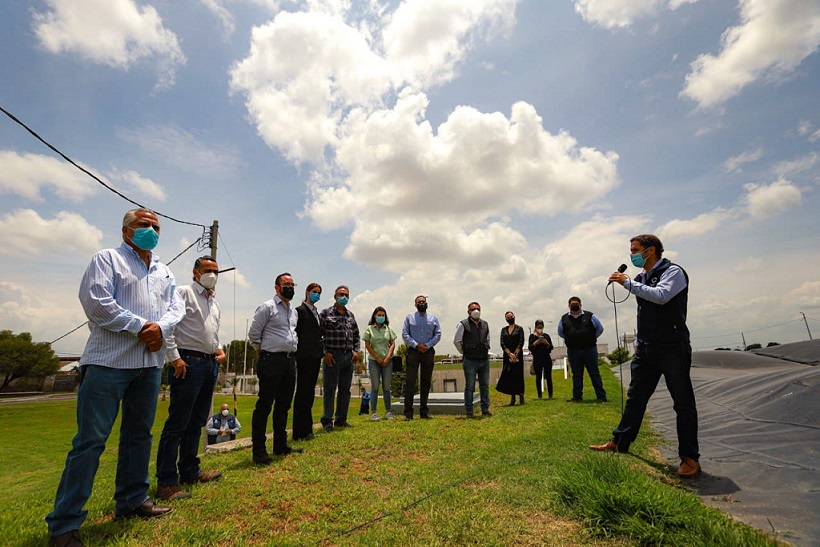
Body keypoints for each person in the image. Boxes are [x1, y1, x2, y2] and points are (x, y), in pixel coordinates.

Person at [46, 208, 184, 546]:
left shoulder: (163, 272)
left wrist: (159, 328)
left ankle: (133, 500)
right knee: (90, 442)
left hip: (148, 366)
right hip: (108, 364)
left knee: (139, 436)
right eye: (143, 225)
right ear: (126, 231)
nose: (151, 230)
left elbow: (176, 308)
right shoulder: (107, 260)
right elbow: (96, 303)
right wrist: (140, 327)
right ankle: (64, 524)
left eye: (155, 226)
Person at [591, 234, 701, 478]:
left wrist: (627, 283)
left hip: (673, 348)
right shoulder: (642, 277)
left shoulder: (673, 272)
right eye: (631, 251)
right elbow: (646, 311)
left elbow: (661, 296)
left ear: (651, 251)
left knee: (682, 403)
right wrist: (640, 342)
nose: (632, 255)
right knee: (635, 397)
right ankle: (620, 441)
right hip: (647, 349)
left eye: (635, 250)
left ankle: (690, 458)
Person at [155, 256, 225, 501]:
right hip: (188, 363)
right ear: (196, 272)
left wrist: (219, 349)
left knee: (197, 422)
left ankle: (190, 470)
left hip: (209, 364)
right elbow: (168, 326)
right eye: (208, 270)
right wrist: (174, 357)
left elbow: (210, 332)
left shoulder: (214, 301)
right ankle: (166, 481)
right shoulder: (183, 293)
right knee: (177, 424)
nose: (212, 275)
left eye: (216, 271)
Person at [248, 272, 302, 465]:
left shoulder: (293, 311)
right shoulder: (267, 307)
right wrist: (263, 353)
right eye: (286, 284)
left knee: (284, 405)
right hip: (271, 360)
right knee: (265, 406)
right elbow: (254, 334)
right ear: (277, 287)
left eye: (292, 284)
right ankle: (259, 451)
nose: (290, 287)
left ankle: (280, 445)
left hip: (289, 361)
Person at [319, 285, 360, 430]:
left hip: (348, 358)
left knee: (345, 390)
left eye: (346, 295)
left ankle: (341, 419)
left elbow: (356, 336)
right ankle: (327, 421)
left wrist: (356, 351)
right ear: (335, 296)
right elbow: (318, 336)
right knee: (330, 389)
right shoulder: (325, 314)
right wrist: (325, 353)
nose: (344, 297)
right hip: (332, 357)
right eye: (341, 294)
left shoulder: (351, 316)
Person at [557, 297, 607, 402]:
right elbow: (561, 333)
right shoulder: (564, 318)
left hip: (590, 349)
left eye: (576, 304)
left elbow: (600, 329)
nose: (574, 306)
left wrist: (591, 338)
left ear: (580, 305)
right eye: (572, 304)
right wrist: (572, 339)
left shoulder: (590, 316)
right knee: (577, 375)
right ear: (568, 306)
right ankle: (577, 397)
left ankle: (601, 396)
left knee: (594, 373)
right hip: (573, 351)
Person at [401, 295, 442, 420]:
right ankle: (408, 413)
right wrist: (416, 345)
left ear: (427, 303)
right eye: (419, 302)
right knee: (410, 382)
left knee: (426, 382)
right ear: (415, 304)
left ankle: (424, 412)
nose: (422, 303)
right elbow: (405, 334)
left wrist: (428, 345)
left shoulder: (433, 318)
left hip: (428, 352)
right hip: (413, 351)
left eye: (423, 301)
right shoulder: (409, 317)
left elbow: (438, 334)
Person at [292, 283, 324, 441]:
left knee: (310, 393)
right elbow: (296, 333)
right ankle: (299, 432)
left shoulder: (317, 313)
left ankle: (308, 429)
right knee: (302, 393)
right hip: (304, 356)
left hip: (315, 356)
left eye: (318, 293)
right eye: (314, 292)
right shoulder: (299, 311)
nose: (316, 295)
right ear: (306, 292)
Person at [453, 302, 492, 418]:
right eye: (473, 309)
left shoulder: (485, 324)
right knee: (470, 387)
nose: (476, 310)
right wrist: (464, 352)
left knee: (484, 386)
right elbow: (457, 341)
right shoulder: (463, 324)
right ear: (468, 312)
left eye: (478, 308)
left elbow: (487, 339)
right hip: (470, 361)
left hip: (484, 360)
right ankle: (469, 412)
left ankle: (485, 409)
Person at [363, 306, 398, 421]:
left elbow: (392, 343)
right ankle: (373, 412)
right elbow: (367, 345)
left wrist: (388, 357)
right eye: (379, 315)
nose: (381, 317)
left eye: (383, 315)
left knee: (386, 387)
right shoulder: (369, 329)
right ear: (374, 316)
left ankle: (388, 411)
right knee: (375, 387)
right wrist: (377, 357)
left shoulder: (388, 328)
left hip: (387, 361)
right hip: (374, 361)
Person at [496, 311, 526, 405]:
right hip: (507, 356)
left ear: (514, 316)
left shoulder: (519, 329)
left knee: (518, 375)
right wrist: (509, 354)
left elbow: (521, 341)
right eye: (507, 318)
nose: (509, 319)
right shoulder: (503, 330)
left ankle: (521, 396)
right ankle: (512, 397)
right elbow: (502, 343)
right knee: (510, 376)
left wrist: (515, 354)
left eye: (510, 317)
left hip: (518, 356)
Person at [528, 320, 555, 399]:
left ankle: (550, 395)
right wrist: (535, 343)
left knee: (549, 376)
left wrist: (546, 343)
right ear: (535, 327)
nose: (540, 329)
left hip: (546, 358)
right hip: (537, 358)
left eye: (541, 327)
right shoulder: (532, 336)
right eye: (538, 327)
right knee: (538, 377)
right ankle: (539, 395)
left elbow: (551, 347)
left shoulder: (546, 336)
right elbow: (530, 347)